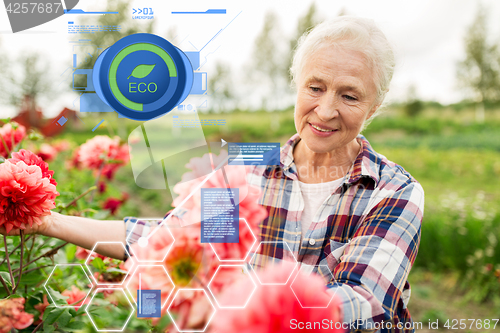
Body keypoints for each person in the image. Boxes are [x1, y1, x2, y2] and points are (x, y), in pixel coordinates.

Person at [1, 16, 424, 333]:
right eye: (315, 87)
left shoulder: (393, 191)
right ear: (296, 86)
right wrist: (50, 222)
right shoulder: (245, 167)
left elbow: (360, 302)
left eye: (349, 95)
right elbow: (169, 240)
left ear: (376, 104)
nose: (326, 109)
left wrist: (233, 309)